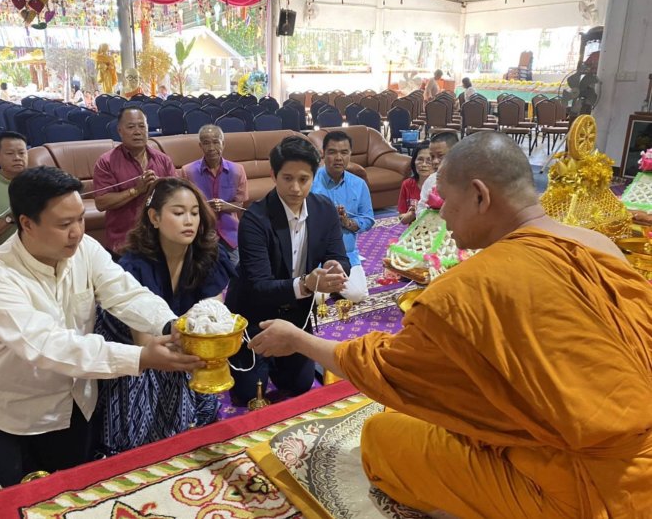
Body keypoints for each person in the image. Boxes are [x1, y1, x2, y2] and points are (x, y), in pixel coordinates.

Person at [248, 132, 652, 518]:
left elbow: (388, 368)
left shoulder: (469, 286)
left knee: (381, 436)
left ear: (480, 195)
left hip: (584, 489)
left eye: (446, 201)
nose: (439, 212)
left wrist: (300, 341)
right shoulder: (601, 247)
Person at [0, 166, 204, 506]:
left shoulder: (85, 249)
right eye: (64, 224)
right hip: (2, 411)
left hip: (69, 401)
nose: (76, 233)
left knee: (72, 497)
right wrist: (141, 358)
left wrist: (170, 325)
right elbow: (48, 345)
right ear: (26, 223)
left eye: (80, 219)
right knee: (0, 503)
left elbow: (126, 294)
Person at [96, 177, 235, 454]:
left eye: (195, 213)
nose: (189, 221)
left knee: (201, 380)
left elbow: (211, 316)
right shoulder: (134, 265)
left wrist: (206, 339)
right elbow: (143, 342)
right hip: (134, 350)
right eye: (179, 212)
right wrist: (189, 341)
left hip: (176, 340)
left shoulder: (209, 255)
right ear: (154, 217)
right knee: (143, 419)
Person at [225, 136, 351, 405]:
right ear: (274, 175)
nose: (295, 188)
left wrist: (334, 268)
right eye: (287, 178)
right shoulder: (255, 219)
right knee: (247, 394)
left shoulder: (324, 209)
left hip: (297, 313)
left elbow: (340, 257)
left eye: (304, 179)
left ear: (313, 177)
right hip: (254, 313)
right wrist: (306, 284)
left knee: (298, 385)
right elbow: (259, 285)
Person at [93, 106, 177, 254]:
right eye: (131, 127)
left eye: (142, 126)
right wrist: (136, 190)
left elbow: (177, 194)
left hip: (161, 241)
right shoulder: (106, 161)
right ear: (120, 131)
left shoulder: (162, 159)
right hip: (123, 243)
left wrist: (160, 188)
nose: (137, 132)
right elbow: (101, 202)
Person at [311, 130, 374, 303]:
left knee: (357, 295)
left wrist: (347, 222)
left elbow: (368, 219)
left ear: (350, 155)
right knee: (316, 299)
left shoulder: (359, 184)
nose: (338, 157)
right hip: (315, 255)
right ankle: (332, 286)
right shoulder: (310, 181)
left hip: (347, 253)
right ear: (323, 154)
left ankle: (334, 285)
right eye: (332, 152)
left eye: (344, 152)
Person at [181, 125, 248, 266]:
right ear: (200, 146)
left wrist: (225, 206)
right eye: (206, 143)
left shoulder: (237, 170)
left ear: (223, 144)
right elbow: (184, 206)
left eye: (216, 142)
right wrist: (204, 206)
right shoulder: (188, 171)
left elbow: (240, 204)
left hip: (230, 234)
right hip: (201, 232)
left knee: (236, 273)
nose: (211, 147)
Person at [416, 131, 459, 217]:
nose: (435, 161)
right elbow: (421, 207)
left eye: (440, 156)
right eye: (432, 157)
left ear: (456, 154)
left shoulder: (465, 179)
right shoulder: (431, 181)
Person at [397, 144, 432, 225]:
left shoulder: (442, 186)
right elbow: (402, 219)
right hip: (414, 232)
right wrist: (411, 214)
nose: (423, 164)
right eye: (420, 159)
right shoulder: (407, 184)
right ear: (414, 161)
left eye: (429, 161)